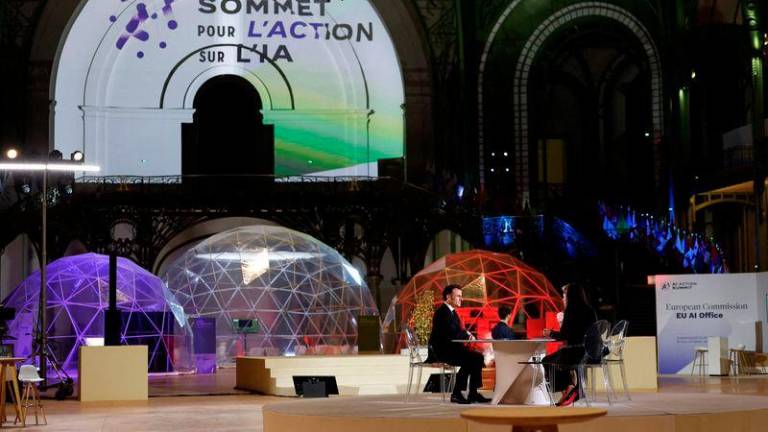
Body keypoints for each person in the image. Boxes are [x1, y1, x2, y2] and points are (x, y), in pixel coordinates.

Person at [427, 284, 490, 404]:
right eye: (458, 296)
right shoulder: (442, 313)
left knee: (477, 357)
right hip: (442, 351)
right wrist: (466, 336)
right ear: (448, 297)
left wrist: (467, 334)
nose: (462, 299)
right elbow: (452, 332)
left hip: (451, 349)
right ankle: (457, 393)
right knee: (471, 359)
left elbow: (458, 330)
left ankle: (473, 393)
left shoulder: (452, 312)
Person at [541, 283, 597, 407]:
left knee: (547, 360)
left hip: (576, 352)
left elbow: (564, 335)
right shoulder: (590, 310)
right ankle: (571, 390)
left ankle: (569, 388)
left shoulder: (570, 311)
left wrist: (550, 333)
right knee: (560, 357)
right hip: (591, 353)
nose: (563, 298)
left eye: (564, 295)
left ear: (570, 296)